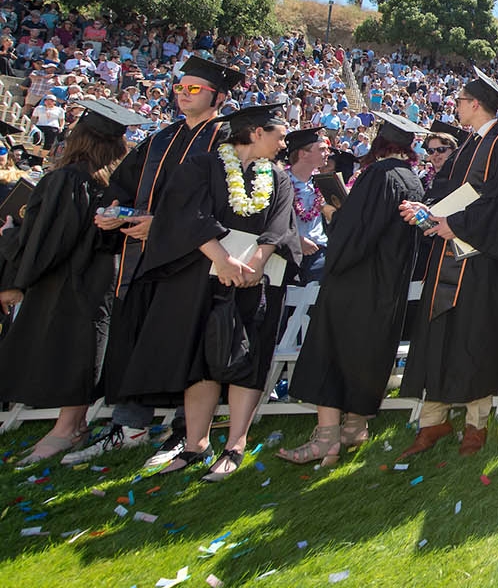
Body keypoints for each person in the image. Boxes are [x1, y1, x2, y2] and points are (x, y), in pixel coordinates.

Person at [107, 103, 301, 481]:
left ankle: (235, 445)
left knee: (248, 358)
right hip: (202, 280)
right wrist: (224, 261)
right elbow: (189, 217)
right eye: (279, 135)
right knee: (199, 358)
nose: (283, 143)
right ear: (256, 132)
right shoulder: (200, 167)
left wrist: (256, 264)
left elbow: (280, 227)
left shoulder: (278, 179)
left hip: (254, 282)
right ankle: (195, 444)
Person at [74, 57, 242, 467]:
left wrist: (160, 226)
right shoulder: (160, 138)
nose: (183, 94)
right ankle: (129, 425)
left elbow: (220, 208)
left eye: (194, 89)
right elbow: (124, 185)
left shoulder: (227, 142)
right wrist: (115, 212)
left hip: (191, 264)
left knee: (186, 344)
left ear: (218, 96)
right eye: (180, 87)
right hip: (143, 260)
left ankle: (187, 432)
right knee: (137, 338)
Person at [396, 71, 498, 459]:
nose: (456, 106)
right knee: (440, 335)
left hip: (482, 262)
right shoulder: (466, 147)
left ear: (475, 104)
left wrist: (453, 225)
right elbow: (450, 194)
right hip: (450, 253)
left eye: (460, 101)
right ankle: (433, 422)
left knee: (476, 339)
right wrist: (427, 213)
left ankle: (476, 426)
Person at [280, 113, 426, 466]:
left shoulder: (378, 175)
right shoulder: (413, 181)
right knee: (367, 353)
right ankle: (355, 428)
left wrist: (332, 214)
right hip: (388, 287)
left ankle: (326, 440)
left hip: (355, 282)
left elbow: (355, 232)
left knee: (330, 350)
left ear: (378, 146)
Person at [0, 101, 141, 463]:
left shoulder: (67, 179)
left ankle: (68, 428)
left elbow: (47, 238)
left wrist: (9, 239)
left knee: (72, 347)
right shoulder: (118, 183)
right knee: (83, 345)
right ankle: (69, 425)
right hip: (104, 274)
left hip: (69, 277)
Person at [284, 127, 331, 284]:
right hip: (287, 253)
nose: (327, 153)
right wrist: (296, 240)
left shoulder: (322, 182)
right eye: (322, 149)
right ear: (303, 154)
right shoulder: (281, 182)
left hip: (319, 254)